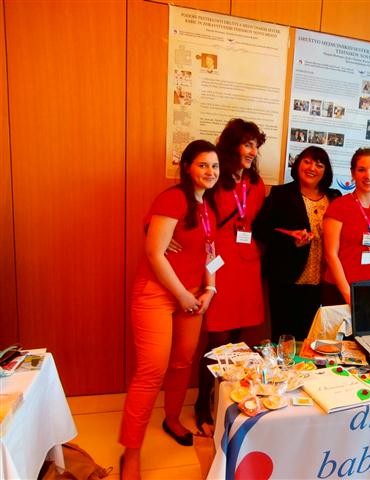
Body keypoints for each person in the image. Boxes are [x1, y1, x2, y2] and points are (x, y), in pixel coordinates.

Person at [119, 140, 219, 480]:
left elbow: (211, 254)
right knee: (151, 371)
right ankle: (131, 454)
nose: (210, 171)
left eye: (214, 166)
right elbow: (154, 253)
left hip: (192, 296)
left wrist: (210, 288)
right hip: (158, 295)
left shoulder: (208, 208)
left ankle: (172, 419)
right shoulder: (173, 198)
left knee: (182, 363)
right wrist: (181, 295)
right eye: (203, 165)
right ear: (187, 167)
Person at [194, 118, 267, 435]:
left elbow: (260, 223)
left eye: (255, 146)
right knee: (217, 340)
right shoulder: (214, 177)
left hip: (248, 265)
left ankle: (234, 403)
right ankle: (202, 404)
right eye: (247, 144)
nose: (252, 151)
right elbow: (189, 211)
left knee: (242, 341)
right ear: (232, 145)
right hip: (219, 265)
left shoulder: (256, 183)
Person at [253, 146, 341, 341]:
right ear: (298, 164)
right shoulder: (281, 194)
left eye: (319, 165)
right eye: (307, 162)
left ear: (326, 170)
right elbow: (260, 230)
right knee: (284, 336)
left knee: (312, 338)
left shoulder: (334, 197)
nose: (312, 168)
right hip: (287, 279)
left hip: (322, 281)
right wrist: (290, 239)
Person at [322, 147, 370, 305]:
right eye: (361, 170)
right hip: (338, 290)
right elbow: (331, 254)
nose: (368, 175)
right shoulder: (339, 206)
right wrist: (348, 295)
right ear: (353, 174)